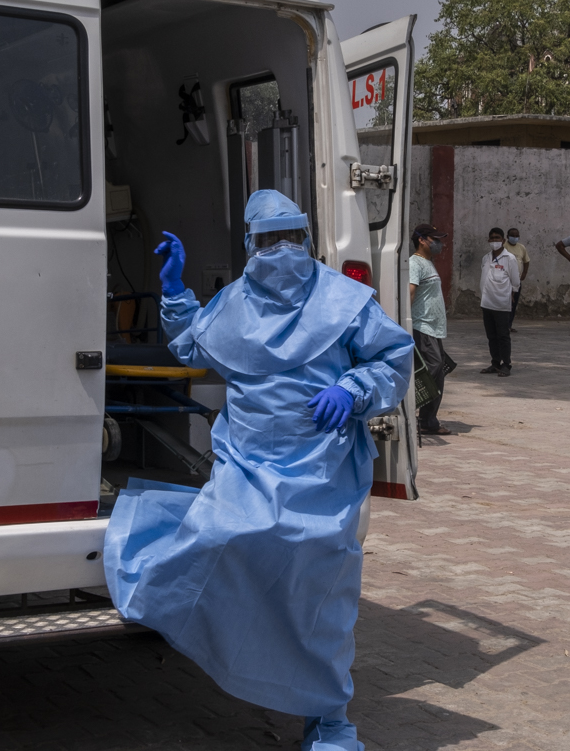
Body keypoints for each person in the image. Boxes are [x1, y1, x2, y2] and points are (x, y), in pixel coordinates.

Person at [104, 190, 412, 751]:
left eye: (290, 237)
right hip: (249, 463)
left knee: (320, 591)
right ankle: (234, 651)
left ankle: (329, 717)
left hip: (323, 469)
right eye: (269, 240)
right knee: (220, 539)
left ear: (307, 237)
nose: (281, 250)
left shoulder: (346, 301)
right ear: (250, 245)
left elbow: (392, 358)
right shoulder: (231, 306)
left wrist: (354, 386)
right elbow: (191, 349)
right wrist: (174, 290)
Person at [410, 224, 451, 436]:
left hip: (434, 329)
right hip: (421, 326)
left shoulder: (428, 263)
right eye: (434, 239)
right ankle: (423, 418)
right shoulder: (415, 263)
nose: (439, 243)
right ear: (422, 240)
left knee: (439, 371)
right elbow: (409, 293)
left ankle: (429, 420)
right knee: (433, 368)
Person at [481, 228, 521, 376]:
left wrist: (512, 294)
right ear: (488, 240)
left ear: (503, 240)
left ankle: (506, 364)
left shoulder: (509, 258)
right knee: (491, 335)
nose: (494, 241)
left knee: (503, 335)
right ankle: (495, 362)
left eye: (497, 238)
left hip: (502, 303)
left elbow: (515, 281)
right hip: (487, 302)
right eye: (491, 238)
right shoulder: (486, 258)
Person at [504, 227, 530, 333]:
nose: (514, 237)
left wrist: (524, 273)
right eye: (512, 235)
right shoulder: (503, 246)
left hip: (516, 281)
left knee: (513, 304)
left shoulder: (521, 247)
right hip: (505, 280)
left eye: (516, 236)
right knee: (504, 303)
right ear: (507, 236)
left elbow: (526, 261)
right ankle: (502, 325)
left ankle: (509, 325)